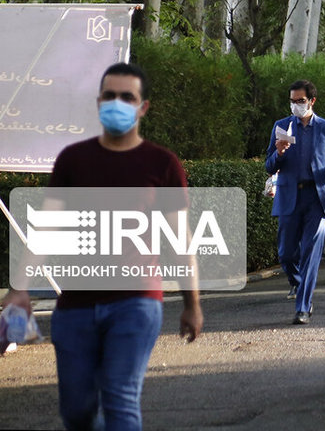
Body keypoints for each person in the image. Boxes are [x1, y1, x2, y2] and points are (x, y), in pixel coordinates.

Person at [2, 62, 203, 430]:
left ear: (143, 107)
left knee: (120, 396)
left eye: (128, 97)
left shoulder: (163, 164)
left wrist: (192, 303)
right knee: (76, 411)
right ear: (98, 102)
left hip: (136, 303)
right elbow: (46, 228)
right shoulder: (73, 160)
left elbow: (181, 239)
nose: (117, 103)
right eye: (110, 96)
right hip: (76, 306)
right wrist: (19, 288)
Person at [266, 79, 325, 323]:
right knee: (286, 254)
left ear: (312, 101)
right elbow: (268, 165)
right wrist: (278, 152)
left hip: (316, 197)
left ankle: (303, 307)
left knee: (310, 253)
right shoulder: (282, 126)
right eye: (292, 101)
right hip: (289, 195)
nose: (296, 105)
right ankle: (298, 284)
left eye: (300, 101)